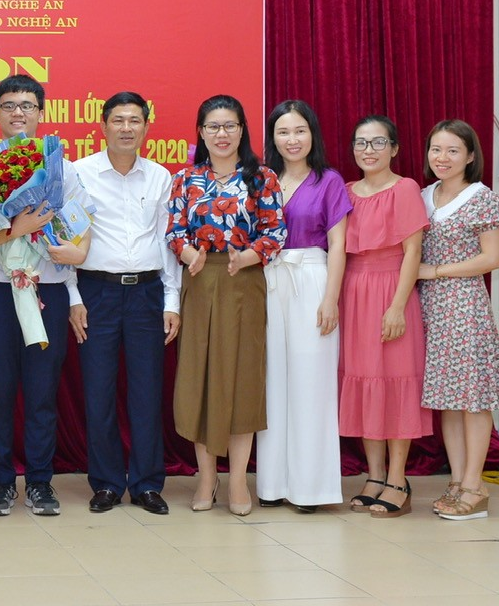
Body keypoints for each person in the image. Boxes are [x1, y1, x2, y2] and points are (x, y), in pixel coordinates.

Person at [165, 94, 286, 517]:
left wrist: (249, 256)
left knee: (240, 377)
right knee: (199, 375)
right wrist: (187, 254)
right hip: (199, 279)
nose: (222, 134)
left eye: (230, 125)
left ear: (242, 130)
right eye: (213, 126)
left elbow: (276, 231)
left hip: (243, 280)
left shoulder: (262, 177)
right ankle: (206, 477)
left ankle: (237, 480)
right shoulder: (185, 179)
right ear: (201, 132)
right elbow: (174, 230)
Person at [0, 74, 83, 517]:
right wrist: (18, 228)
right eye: (9, 105)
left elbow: (78, 231)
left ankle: (40, 482)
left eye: (27, 106)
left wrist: (71, 287)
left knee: (41, 391)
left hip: (48, 288)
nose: (18, 113)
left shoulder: (63, 167)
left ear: (41, 113)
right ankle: (1, 483)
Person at [66, 92, 181, 516]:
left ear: (147, 127)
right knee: (98, 392)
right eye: (118, 120)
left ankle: (148, 483)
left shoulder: (160, 177)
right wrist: (73, 298)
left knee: (147, 392)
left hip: (148, 293)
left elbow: (168, 244)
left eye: (135, 120)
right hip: (96, 293)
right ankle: (108, 483)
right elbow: (66, 238)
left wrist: (172, 301)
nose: (127, 128)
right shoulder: (79, 174)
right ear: (103, 124)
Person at [256, 100, 351, 513]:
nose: (291, 140)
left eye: (299, 131)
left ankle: (311, 488)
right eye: (283, 132)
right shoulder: (262, 179)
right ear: (272, 138)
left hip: (312, 279)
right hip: (268, 280)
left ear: (312, 134)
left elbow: (340, 245)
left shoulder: (329, 180)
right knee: (273, 382)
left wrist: (331, 298)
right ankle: (273, 484)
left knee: (311, 382)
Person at [338, 115, 431, 519]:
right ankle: (374, 476)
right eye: (361, 143)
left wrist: (397, 304)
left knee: (394, 383)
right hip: (353, 292)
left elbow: (413, 251)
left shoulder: (406, 188)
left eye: (378, 142)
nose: (368, 150)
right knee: (362, 381)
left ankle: (398, 479)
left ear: (393, 148)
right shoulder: (345, 191)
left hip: (392, 288)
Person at [416, 119, 499, 521]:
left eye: (452, 151)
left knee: (473, 398)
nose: (442, 158)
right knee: (446, 400)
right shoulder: (423, 194)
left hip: (464, 306)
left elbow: (492, 257)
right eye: (436, 149)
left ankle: (474, 485)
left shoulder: (481, 197)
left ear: (470, 155)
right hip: (429, 308)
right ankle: (456, 480)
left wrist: (435, 272)